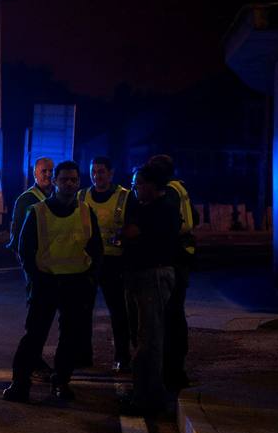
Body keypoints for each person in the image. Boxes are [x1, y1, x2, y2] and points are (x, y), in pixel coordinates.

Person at [2, 161, 104, 403]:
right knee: (34, 335)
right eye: (64, 179)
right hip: (46, 283)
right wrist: (36, 278)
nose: (69, 183)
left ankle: (61, 381)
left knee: (70, 337)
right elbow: (26, 250)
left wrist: (89, 279)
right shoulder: (38, 212)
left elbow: (96, 248)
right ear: (55, 182)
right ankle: (20, 383)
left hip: (75, 284)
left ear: (78, 183)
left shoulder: (85, 211)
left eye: (74, 180)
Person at [118, 165, 183, 416]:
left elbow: (131, 232)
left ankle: (150, 399)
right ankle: (142, 393)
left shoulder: (161, 210)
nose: (134, 190)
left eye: (138, 184)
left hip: (152, 275)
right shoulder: (147, 208)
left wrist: (124, 234)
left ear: (152, 186)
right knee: (142, 337)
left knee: (150, 340)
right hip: (140, 275)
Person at [78, 156, 131, 371]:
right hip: (88, 262)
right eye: (94, 171)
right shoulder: (82, 196)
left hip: (113, 262)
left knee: (118, 312)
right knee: (83, 312)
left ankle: (122, 357)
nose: (97, 176)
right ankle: (83, 356)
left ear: (111, 173)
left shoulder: (125, 197)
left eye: (101, 171)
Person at [148, 154, 195, 389]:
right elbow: (192, 218)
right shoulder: (181, 186)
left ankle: (173, 371)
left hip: (174, 258)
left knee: (171, 315)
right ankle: (175, 370)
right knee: (175, 315)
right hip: (182, 255)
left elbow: (170, 226)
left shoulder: (170, 192)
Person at [7, 156, 57, 379]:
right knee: (37, 312)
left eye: (50, 171)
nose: (48, 175)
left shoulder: (57, 198)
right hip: (36, 267)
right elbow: (17, 236)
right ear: (35, 174)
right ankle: (31, 359)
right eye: (44, 171)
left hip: (56, 266)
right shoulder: (26, 200)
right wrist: (28, 266)